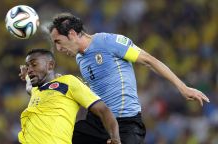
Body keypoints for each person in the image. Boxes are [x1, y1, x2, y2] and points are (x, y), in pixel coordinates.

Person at [48, 13, 210, 144]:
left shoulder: (109, 42)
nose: (58, 48)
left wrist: (183, 87)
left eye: (58, 42)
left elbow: (149, 60)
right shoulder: (80, 58)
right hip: (97, 123)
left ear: (72, 34)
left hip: (125, 123)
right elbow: (98, 87)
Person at [18, 48, 121, 144]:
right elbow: (29, 88)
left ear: (50, 65)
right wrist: (26, 76)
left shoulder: (68, 82)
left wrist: (115, 139)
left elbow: (103, 110)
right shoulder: (36, 90)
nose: (29, 69)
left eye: (34, 64)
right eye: (27, 67)